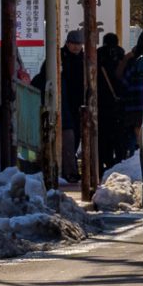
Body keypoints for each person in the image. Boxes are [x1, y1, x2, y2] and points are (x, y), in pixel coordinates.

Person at [96, 33, 131, 167]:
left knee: (102, 136)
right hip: (119, 102)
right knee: (118, 137)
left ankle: (102, 164)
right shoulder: (122, 56)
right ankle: (118, 164)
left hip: (102, 103)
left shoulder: (98, 55)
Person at [58, 31, 88, 183]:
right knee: (68, 136)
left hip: (79, 104)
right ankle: (67, 169)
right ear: (68, 43)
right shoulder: (59, 58)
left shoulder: (84, 59)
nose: (77, 47)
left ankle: (69, 168)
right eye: (74, 44)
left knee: (76, 136)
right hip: (63, 103)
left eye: (79, 44)